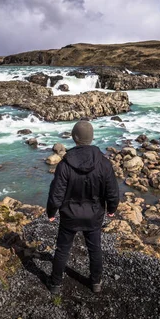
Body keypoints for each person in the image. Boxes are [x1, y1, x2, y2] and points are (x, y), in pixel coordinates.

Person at [46, 120, 119, 295]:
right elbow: (112, 190)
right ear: (91, 138)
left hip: (69, 216)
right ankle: (96, 283)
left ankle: (55, 284)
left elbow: (56, 193)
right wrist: (111, 209)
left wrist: (51, 212)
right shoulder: (103, 163)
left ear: (74, 138)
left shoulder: (64, 164)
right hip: (94, 215)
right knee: (95, 249)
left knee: (62, 249)